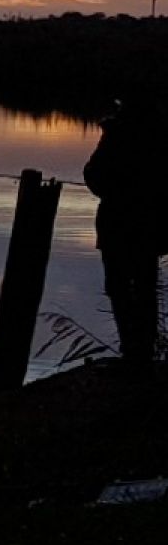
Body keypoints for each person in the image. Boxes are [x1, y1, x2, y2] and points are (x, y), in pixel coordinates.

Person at [83, 99, 166, 365]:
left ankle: (134, 353)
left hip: (118, 225)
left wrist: (115, 191)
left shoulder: (117, 134)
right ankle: (142, 354)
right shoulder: (160, 136)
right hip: (148, 226)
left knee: (121, 287)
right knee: (144, 288)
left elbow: (93, 175)